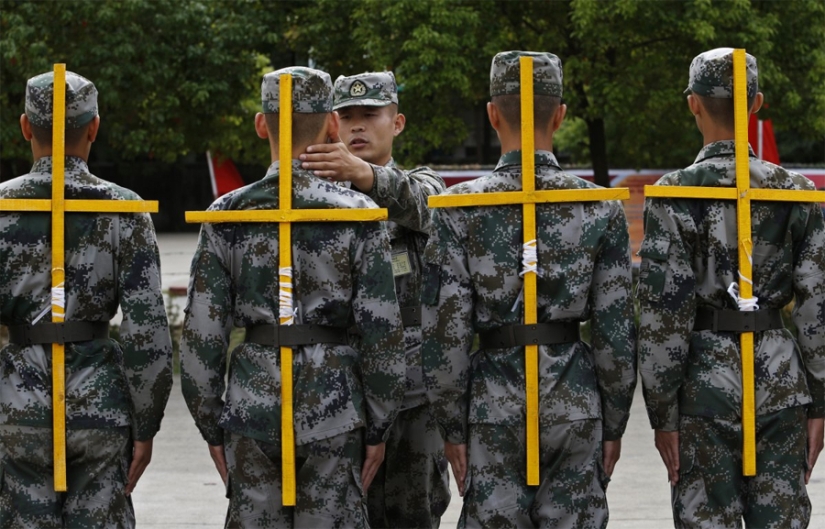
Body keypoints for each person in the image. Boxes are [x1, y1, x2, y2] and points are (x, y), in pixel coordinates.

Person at [180, 66, 406, 528]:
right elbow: (382, 330)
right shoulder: (359, 212)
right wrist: (378, 424)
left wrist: (211, 421)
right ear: (330, 124)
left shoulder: (227, 213)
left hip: (252, 404)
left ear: (262, 124)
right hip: (335, 410)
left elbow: (203, 333)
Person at [420, 51, 637, 528]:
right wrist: (613, 421)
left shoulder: (457, 209)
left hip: (492, 400)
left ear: (492, 114)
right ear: (560, 115)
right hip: (572, 400)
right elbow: (616, 334)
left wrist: (452, 427)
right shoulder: (600, 207)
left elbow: (445, 334)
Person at [638, 48, 825, 528]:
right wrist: (820, 401)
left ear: (693, 104)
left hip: (705, 388)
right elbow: (815, 308)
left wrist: (663, 413)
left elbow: (665, 314)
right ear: (756, 102)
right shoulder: (797, 193)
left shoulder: (674, 193)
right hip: (781, 384)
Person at [0, 71, 173, 527]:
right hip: (100, 405)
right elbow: (148, 330)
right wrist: (146, 422)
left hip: (18, 404)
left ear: (24, 126)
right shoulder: (125, 210)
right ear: (94, 127)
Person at [299, 71, 450, 528]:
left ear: (397, 123)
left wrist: (365, 177)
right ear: (331, 124)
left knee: (413, 515)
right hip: (337, 396)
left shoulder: (421, 184)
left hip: (412, 395)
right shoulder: (316, 198)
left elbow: (427, 209)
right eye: (347, 117)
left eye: (371, 115)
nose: (358, 127)